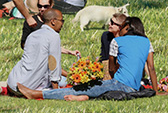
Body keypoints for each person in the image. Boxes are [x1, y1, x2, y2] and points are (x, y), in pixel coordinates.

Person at [28, 16, 160, 99]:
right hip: (134, 87)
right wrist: (155, 91)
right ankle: (81, 97)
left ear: (127, 27)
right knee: (91, 90)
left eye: (123, 27)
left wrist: (113, 78)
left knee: (79, 88)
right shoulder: (146, 42)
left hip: (119, 84)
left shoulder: (118, 41)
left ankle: (38, 94)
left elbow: (112, 68)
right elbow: (151, 69)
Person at [0, 8, 66, 96]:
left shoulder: (33, 35)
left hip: (13, 80)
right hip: (28, 87)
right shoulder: (54, 36)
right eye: (62, 21)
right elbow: (54, 65)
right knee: (64, 83)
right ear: (53, 21)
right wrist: (56, 92)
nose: (62, 24)